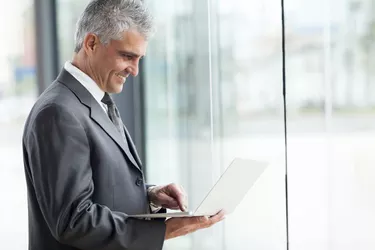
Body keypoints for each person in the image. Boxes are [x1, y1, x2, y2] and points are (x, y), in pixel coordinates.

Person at [22, 0, 225, 249]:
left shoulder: (95, 100)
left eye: (139, 58)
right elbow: (73, 220)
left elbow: (99, 185)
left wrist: (149, 196)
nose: (135, 70)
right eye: (127, 56)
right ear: (91, 43)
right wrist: (166, 230)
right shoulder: (58, 112)